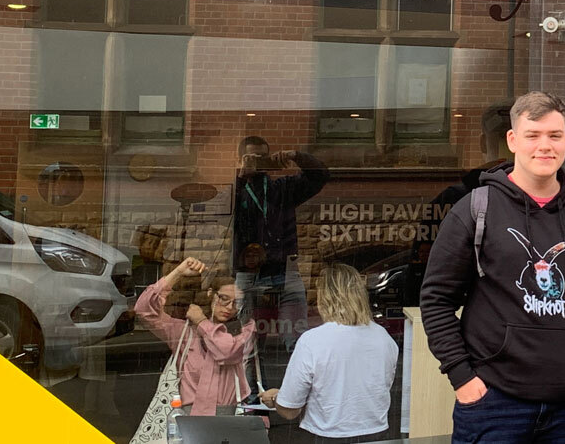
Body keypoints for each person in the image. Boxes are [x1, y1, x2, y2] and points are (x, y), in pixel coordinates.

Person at [419, 91, 565, 444]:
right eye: (533, 135)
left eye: (555, 135)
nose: (545, 146)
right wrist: (463, 378)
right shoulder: (475, 209)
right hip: (494, 402)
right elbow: (436, 299)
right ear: (513, 140)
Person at [260, 264, 400, 444]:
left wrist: (275, 398)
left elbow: (289, 410)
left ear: (324, 298)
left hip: (328, 436)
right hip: (378, 433)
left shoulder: (313, 340)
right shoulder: (383, 338)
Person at [232, 135, 331, 351]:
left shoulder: (282, 188)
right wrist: (241, 177)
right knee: (250, 347)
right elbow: (229, 217)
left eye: (263, 157)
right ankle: (253, 387)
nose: (258, 161)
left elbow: (321, 176)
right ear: (240, 159)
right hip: (249, 275)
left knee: (298, 342)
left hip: (285, 271)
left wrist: (296, 156)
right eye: (252, 157)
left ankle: (295, 386)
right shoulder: (235, 193)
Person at [134, 257, 259, 416]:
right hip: (187, 415)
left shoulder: (246, 328)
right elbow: (144, 311)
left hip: (228, 416)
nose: (230, 307)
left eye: (237, 303)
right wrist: (178, 272)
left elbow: (226, 351)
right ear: (210, 294)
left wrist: (201, 321)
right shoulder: (186, 332)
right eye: (224, 299)